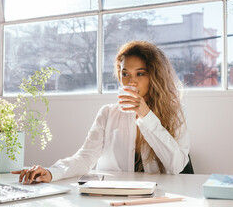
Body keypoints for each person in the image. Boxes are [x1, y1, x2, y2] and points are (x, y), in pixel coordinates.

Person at [13, 40, 190, 185]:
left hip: (159, 197)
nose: (131, 82)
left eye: (140, 74)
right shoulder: (108, 113)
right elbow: (85, 158)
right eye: (125, 73)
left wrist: (146, 115)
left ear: (154, 76)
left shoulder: (173, 113)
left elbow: (176, 166)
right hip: (112, 194)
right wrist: (51, 172)